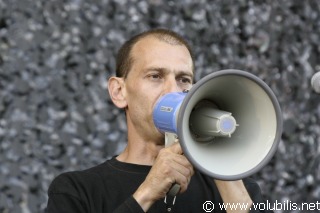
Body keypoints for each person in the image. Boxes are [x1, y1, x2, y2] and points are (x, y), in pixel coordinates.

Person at [46, 28, 272, 213]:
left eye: (184, 79)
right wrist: (146, 194)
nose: (172, 90)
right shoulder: (77, 191)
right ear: (119, 91)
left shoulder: (237, 191)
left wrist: (222, 165)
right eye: (155, 76)